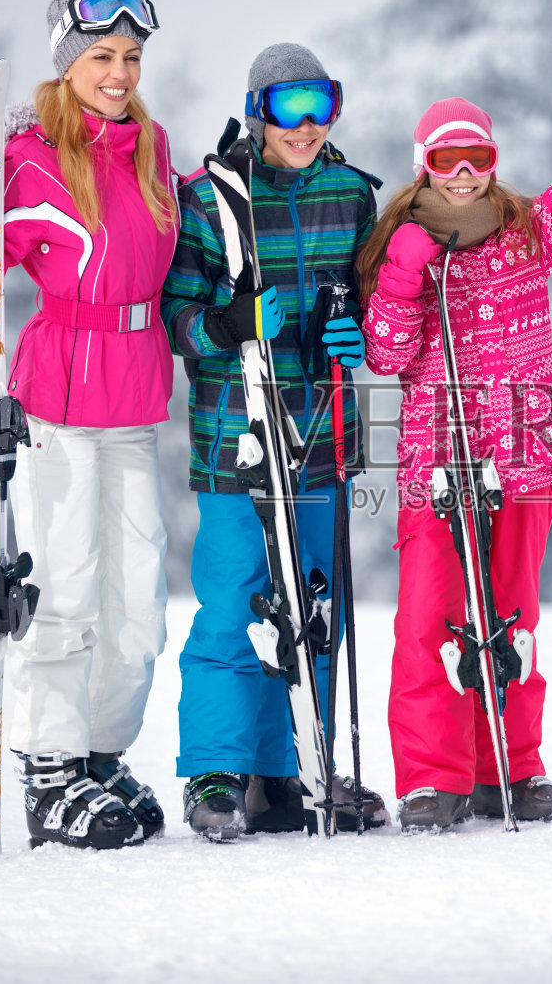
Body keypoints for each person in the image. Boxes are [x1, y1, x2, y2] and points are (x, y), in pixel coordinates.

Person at [0, 0, 178, 850]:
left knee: (139, 605)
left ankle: (101, 755)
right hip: (59, 401)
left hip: (138, 398)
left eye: (130, 59)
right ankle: (48, 768)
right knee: (64, 589)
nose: (118, 75)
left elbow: (174, 258)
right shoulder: (28, 157)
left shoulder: (152, 149)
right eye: (101, 58)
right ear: (69, 64)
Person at [357, 28, 552, 833]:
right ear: (424, 166)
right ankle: (432, 777)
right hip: (433, 464)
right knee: (429, 622)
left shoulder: (526, 232)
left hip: (522, 457)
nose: (467, 173)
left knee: (510, 617)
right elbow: (384, 352)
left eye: (478, 155)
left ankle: (510, 768)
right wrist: (404, 274)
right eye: (449, 160)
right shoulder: (399, 248)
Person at [160, 42, 387, 840]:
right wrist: (224, 322)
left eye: (321, 103)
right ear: (258, 111)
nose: (306, 124)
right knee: (235, 602)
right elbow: (178, 318)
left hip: (323, 429)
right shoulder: (211, 196)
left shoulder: (354, 195)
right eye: (289, 106)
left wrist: (352, 330)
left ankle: (295, 766)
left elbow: (377, 302)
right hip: (237, 438)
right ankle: (218, 771)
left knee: (316, 606)